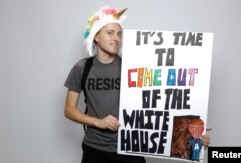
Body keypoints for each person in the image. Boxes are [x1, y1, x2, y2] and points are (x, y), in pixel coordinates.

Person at [64, 5, 211, 163]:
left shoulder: (133, 66)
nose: (116, 38)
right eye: (110, 33)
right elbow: (69, 109)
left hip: (130, 148)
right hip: (94, 150)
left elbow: (161, 103)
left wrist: (191, 133)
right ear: (96, 37)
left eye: (119, 34)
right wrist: (98, 122)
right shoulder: (82, 68)